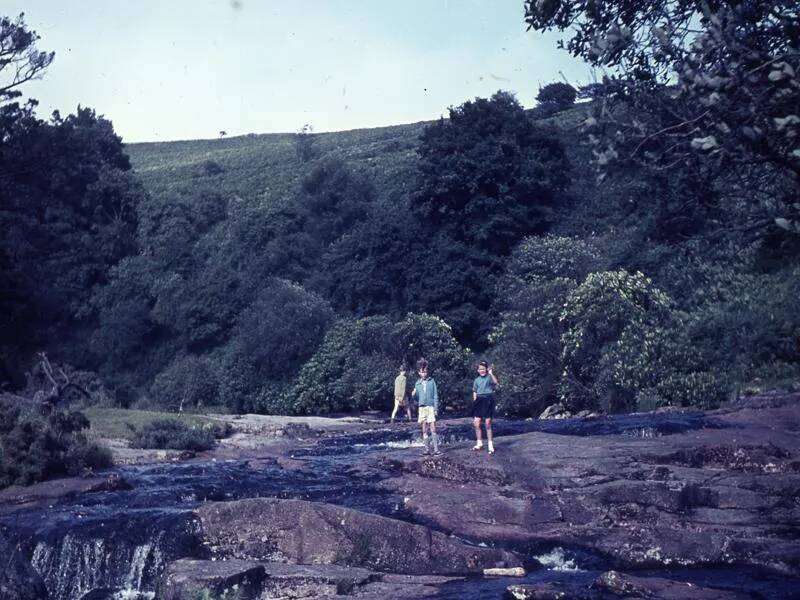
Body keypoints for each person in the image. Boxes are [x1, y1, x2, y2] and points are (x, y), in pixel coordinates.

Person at [411, 358, 440, 456]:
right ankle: (427, 450)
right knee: (424, 429)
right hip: (422, 408)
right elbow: (417, 399)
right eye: (422, 372)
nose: (424, 374)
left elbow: (435, 395)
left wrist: (436, 408)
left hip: (430, 407)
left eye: (425, 372)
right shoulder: (417, 383)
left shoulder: (432, 381)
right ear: (419, 373)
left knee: (433, 428)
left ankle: (436, 450)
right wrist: (413, 395)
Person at [472, 360, 499, 454]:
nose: (482, 370)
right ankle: (479, 443)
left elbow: (496, 382)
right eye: (480, 369)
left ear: (486, 369)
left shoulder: (489, 377)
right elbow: (475, 391)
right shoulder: (476, 380)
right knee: (476, 423)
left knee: (488, 423)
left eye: (483, 369)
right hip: (479, 401)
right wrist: (474, 402)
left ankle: (490, 446)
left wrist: (491, 373)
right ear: (478, 370)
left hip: (488, 400)